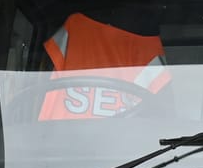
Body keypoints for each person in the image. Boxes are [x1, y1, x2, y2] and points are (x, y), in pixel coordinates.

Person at [36, 11, 170, 120]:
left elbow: (160, 121)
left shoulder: (75, 28)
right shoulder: (74, 28)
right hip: (58, 149)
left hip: (129, 152)